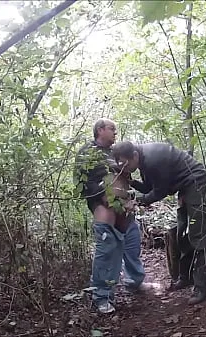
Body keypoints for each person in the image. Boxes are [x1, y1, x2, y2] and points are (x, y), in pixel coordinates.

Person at [111, 141, 206, 305]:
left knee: (199, 233)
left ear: (135, 156)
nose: (123, 166)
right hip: (185, 187)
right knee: (182, 233)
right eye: (120, 163)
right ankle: (186, 278)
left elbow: (160, 191)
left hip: (196, 182)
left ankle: (203, 286)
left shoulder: (152, 159)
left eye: (125, 163)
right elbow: (148, 188)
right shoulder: (143, 160)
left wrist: (137, 201)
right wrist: (131, 183)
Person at [74, 118, 145, 314]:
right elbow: (83, 184)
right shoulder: (87, 153)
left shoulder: (115, 153)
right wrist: (103, 198)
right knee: (107, 254)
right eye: (112, 129)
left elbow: (126, 175)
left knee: (133, 245)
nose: (115, 132)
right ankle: (102, 297)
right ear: (100, 130)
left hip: (125, 212)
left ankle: (135, 282)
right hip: (105, 212)